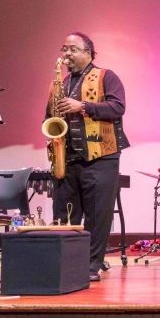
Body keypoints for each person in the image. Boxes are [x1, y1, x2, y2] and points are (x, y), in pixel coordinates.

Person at [49, 32, 130, 282]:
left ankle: (91, 266)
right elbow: (49, 118)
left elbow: (118, 107)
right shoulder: (60, 83)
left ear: (88, 53)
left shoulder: (107, 76)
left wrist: (83, 106)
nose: (66, 54)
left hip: (100, 157)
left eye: (72, 49)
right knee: (64, 213)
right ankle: (67, 264)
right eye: (64, 49)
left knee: (97, 215)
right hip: (67, 158)